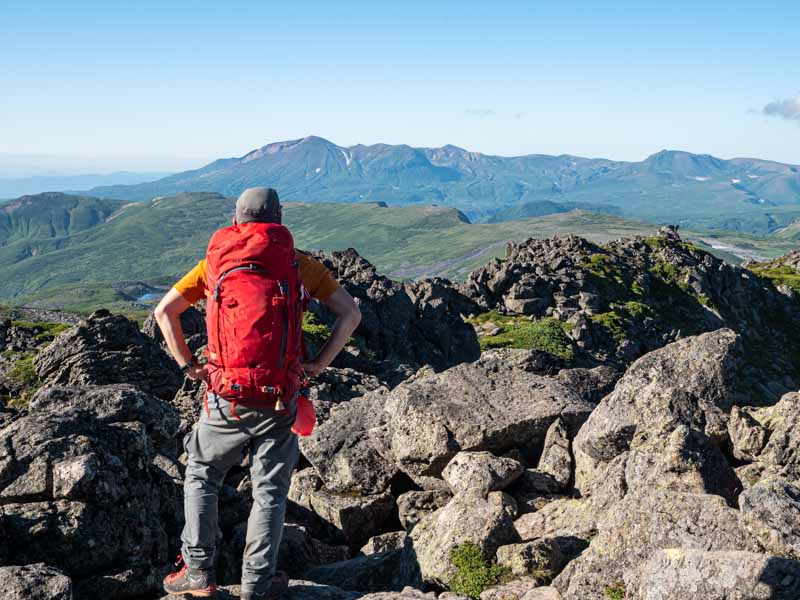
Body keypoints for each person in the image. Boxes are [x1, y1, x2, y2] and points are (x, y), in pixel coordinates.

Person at [155, 187, 361, 599]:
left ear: (237, 220)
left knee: (201, 473)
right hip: (280, 395)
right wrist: (318, 363)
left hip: (224, 394)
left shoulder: (213, 265)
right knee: (268, 491)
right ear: (279, 219)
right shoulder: (300, 265)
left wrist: (189, 366)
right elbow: (351, 313)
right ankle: (257, 585)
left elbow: (164, 312)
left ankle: (197, 572)